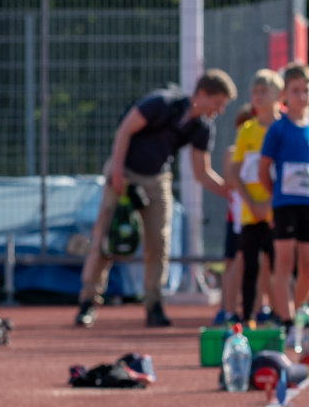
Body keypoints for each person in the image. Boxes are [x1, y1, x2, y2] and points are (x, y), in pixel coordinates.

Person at [74, 71, 235, 328]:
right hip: (125, 172)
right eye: (218, 103)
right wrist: (117, 172)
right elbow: (124, 131)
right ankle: (88, 302)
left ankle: (154, 305)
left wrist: (232, 193)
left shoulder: (203, 127)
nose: (221, 110)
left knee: (159, 241)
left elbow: (202, 173)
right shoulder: (162, 103)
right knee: (106, 237)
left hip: (157, 179)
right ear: (202, 94)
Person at [261, 63, 309, 322]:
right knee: (284, 263)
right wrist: (276, 196)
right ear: (284, 95)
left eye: (306, 90)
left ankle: (297, 314)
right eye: (295, 90)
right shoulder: (278, 129)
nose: (301, 96)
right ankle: (285, 319)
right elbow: (263, 170)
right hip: (285, 205)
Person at [221, 69, 281, 327]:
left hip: (278, 211)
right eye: (254, 91)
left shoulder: (283, 129)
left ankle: (282, 316)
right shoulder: (246, 130)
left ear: (278, 95)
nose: (257, 96)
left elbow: (286, 171)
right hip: (250, 211)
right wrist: (252, 203)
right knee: (250, 266)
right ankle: (247, 319)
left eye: (263, 91)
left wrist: (269, 203)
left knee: (279, 267)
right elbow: (235, 171)